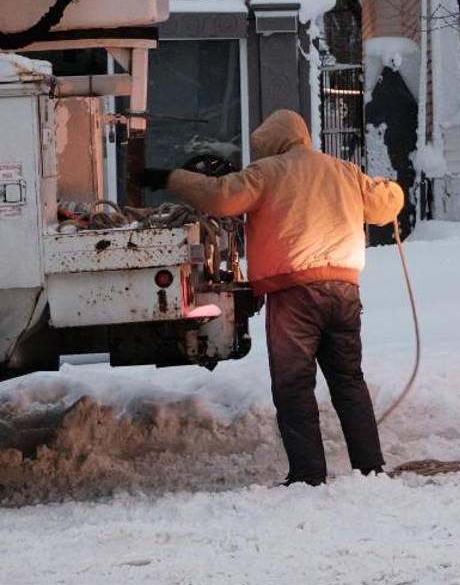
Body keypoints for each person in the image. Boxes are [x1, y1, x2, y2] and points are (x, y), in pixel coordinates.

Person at [139, 109, 404, 486]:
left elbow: (219, 197)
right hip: (345, 291)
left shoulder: (267, 173)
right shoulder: (343, 170)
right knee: (348, 380)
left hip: (293, 294)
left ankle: (308, 475)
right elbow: (384, 205)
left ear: (270, 145)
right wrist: (391, 189)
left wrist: (169, 177)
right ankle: (370, 468)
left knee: (294, 385)